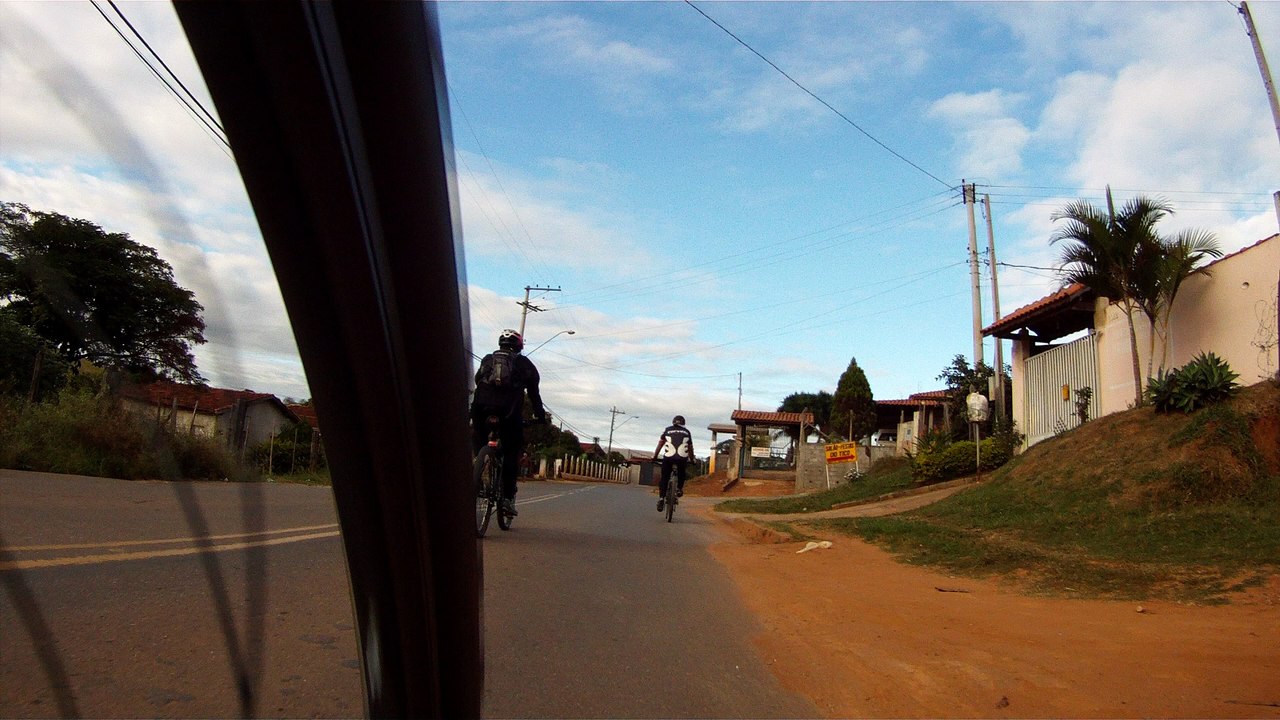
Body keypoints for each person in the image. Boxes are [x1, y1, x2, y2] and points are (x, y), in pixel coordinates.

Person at [471, 329, 546, 516]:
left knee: (479, 442)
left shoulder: (488, 359)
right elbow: (534, 395)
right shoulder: (524, 364)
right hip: (509, 413)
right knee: (511, 452)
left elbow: (477, 380)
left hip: (481, 409)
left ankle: (478, 472)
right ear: (519, 346)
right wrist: (540, 416)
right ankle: (506, 498)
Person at [653, 415, 694, 512]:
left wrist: (654, 456)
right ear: (683, 424)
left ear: (673, 422)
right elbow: (690, 448)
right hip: (681, 458)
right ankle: (679, 488)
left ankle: (661, 499)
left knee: (665, 478)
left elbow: (660, 445)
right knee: (682, 473)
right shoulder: (687, 432)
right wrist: (692, 460)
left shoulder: (667, 430)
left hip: (668, 458)